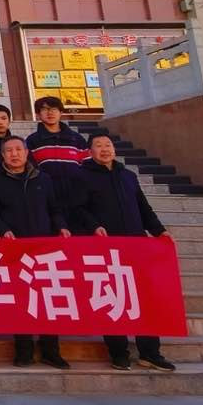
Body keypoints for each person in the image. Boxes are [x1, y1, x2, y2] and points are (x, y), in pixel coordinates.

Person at [73, 131, 177, 371]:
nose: (104, 149)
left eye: (107, 145)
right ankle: (118, 352)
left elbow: (143, 207)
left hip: (136, 245)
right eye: (98, 146)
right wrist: (94, 226)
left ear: (114, 148)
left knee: (145, 299)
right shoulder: (81, 176)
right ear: (90, 151)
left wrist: (159, 231)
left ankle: (150, 353)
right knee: (112, 299)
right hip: (105, 247)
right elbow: (77, 209)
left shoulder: (128, 176)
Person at [0, 136, 73, 369]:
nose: (14, 154)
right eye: (9, 151)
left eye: (18, 149)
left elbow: (54, 209)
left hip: (43, 249)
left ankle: (51, 350)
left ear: (27, 152)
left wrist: (61, 226)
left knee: (47, 300)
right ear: (2, 155)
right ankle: (24, 350)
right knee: (21, 300)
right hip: (14, 249)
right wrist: (3, 229)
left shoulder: (43, 179)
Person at [26, 96, 90, 219]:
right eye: (45, 109)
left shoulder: (77, 139)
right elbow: (30, 170)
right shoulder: (32, 141)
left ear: (61, 112)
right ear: (38, 114)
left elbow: (87, 166)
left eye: (54, 109)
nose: (50, 113)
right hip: (47, 197)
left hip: (77, 196)